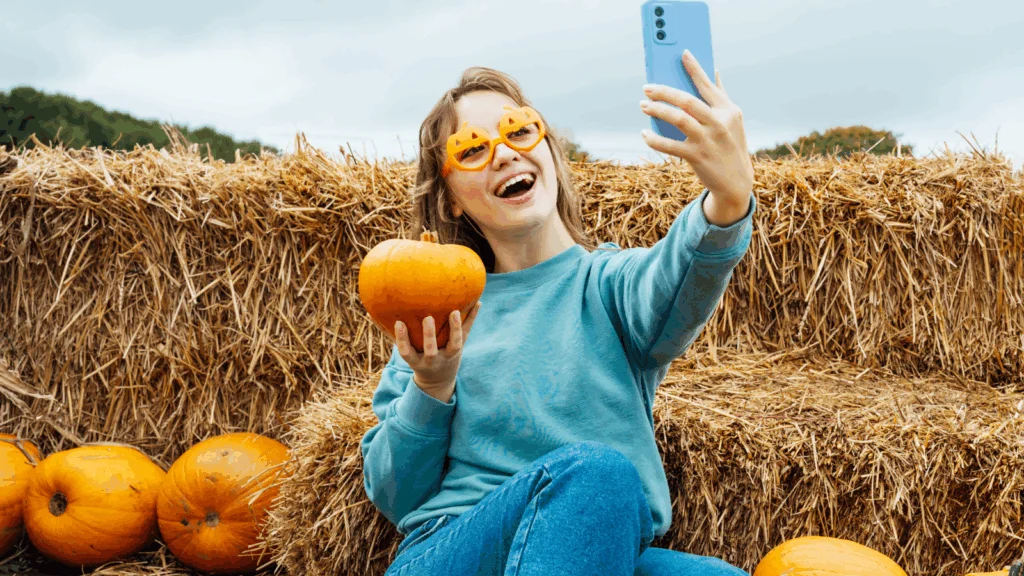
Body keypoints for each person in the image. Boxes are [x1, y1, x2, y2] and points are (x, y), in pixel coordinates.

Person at [361, 50, 757, 576]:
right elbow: (394, 494)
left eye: (519, 132)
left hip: (593, 546)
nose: (504, 154)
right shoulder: (442, 317)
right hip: (455, 551)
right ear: (451, 197)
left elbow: (680, 272)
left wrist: (728, 199)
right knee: (597, 474)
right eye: (473, 149)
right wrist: (431, 387)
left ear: (548, 147)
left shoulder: (612, 288)